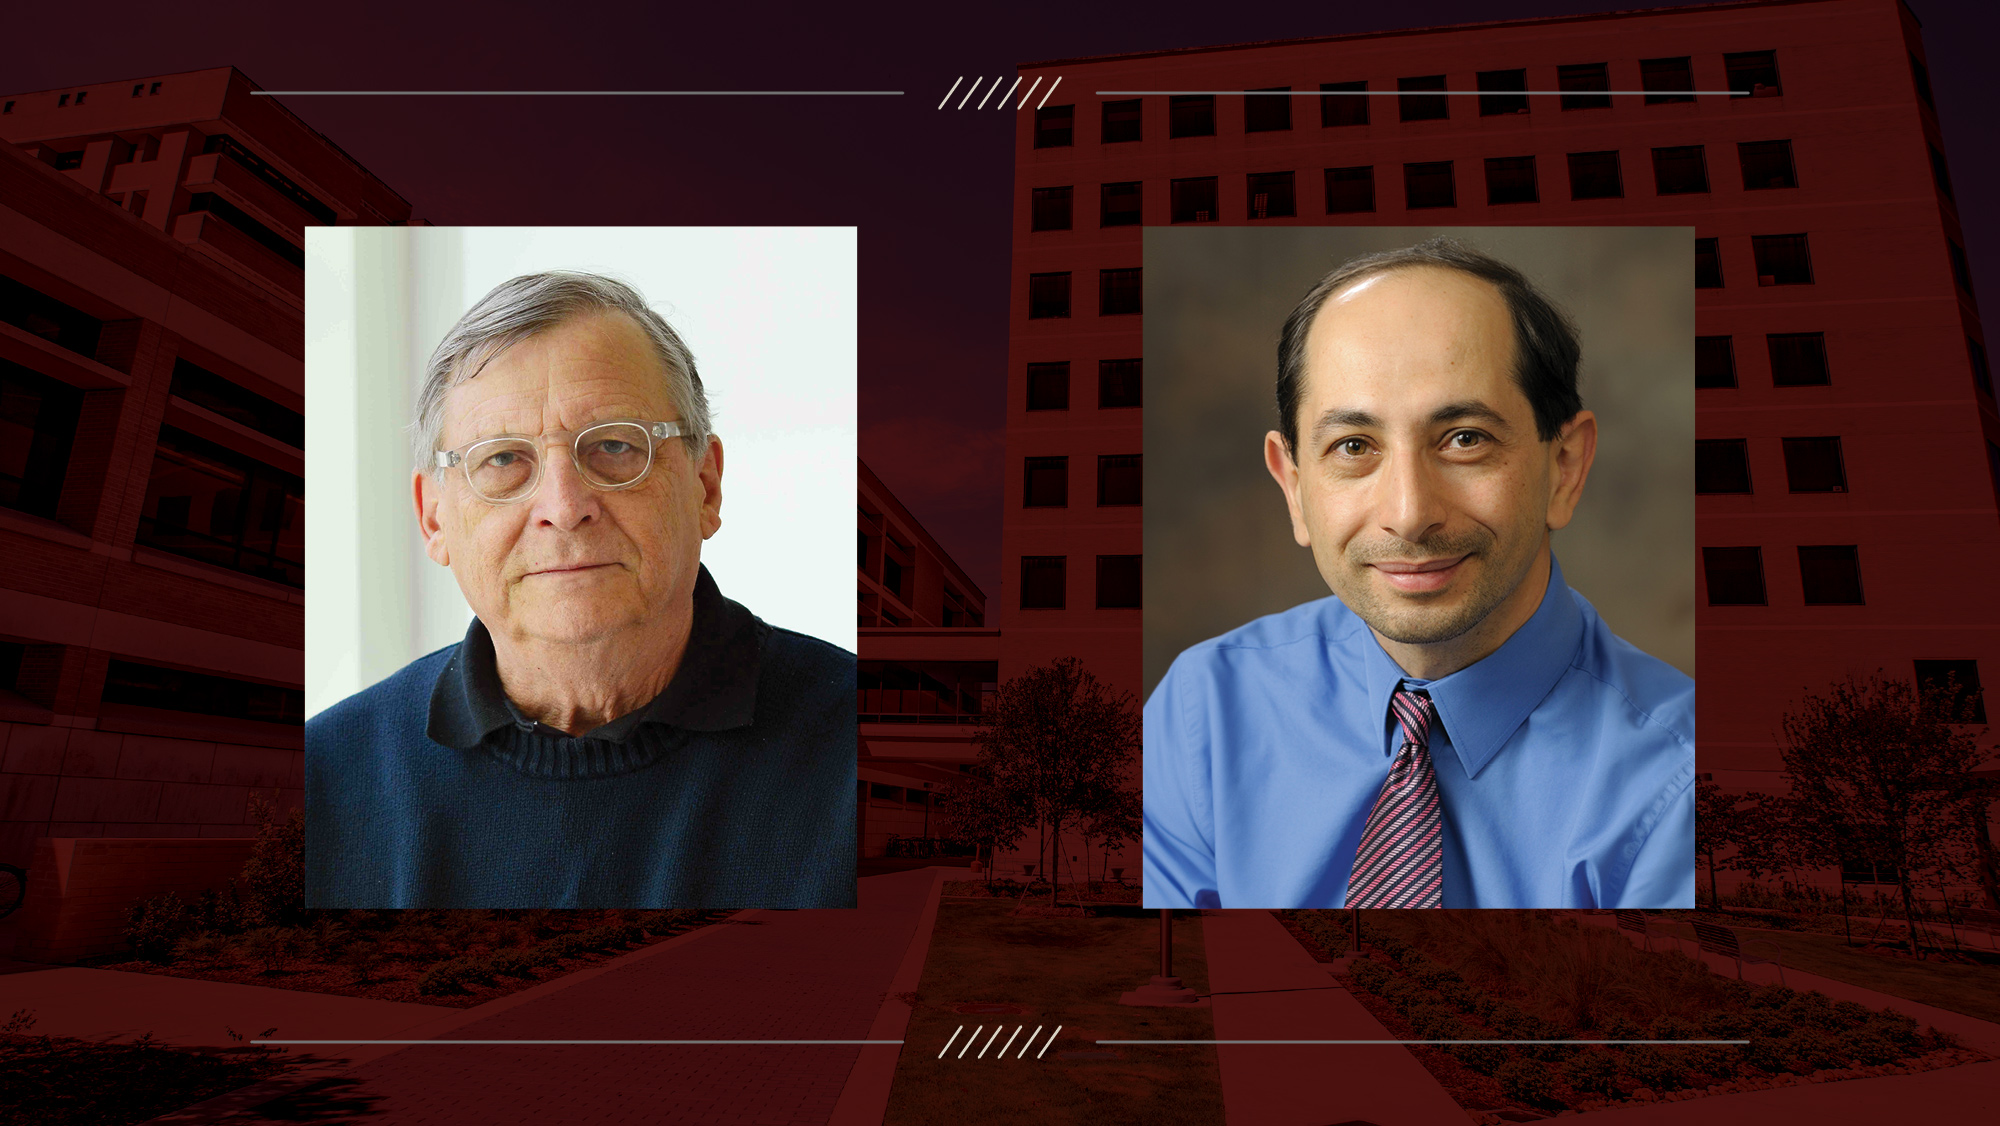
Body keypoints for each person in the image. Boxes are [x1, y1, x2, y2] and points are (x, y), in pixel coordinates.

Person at [1143, 238, 1693, 910]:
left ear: (1565, 468)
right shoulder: (1202, 716)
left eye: (1465, 439)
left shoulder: (1680, 787)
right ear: (1294, 487)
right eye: (1353, 446)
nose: (1408, 515)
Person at [306, 272, 855, 909]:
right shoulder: (321, 781)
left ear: (705, 486)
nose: (564, 508)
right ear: (434, 518)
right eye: (503, 459)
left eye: (616, 446)